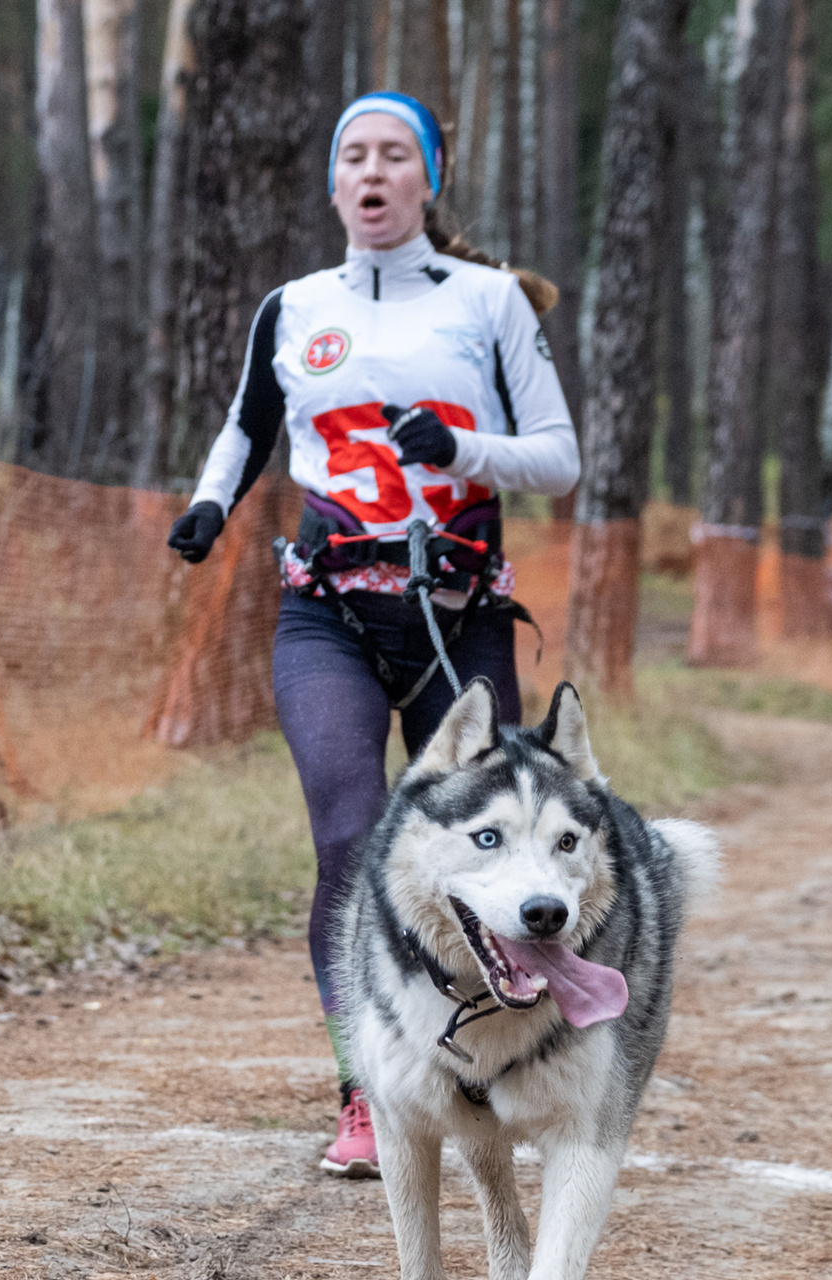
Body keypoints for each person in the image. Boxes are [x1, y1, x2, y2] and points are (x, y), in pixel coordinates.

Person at [164, 91, 578, 1179]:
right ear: (334, 181)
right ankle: (368, 1091)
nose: (374, 172)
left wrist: (461, 448)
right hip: (327, 615)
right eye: (355, 155)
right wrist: (211, 507)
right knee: (350, 840)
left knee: (481, 845)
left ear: (425, 177)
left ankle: (485, 1062)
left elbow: (559, 455)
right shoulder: (293, 306)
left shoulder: (488, 302)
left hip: (460, 617)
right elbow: (248, 423)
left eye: (396, 155)